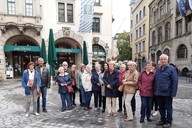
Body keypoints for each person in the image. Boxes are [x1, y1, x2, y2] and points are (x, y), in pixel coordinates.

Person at [155, 54, 178, 128]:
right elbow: (156, 81)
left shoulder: (171, 69)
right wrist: (155, 90)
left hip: (167, 93)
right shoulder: (158, 69)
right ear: (160, 60)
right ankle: (163, 120)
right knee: (161, 107)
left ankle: (169, 121)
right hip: (159, 92)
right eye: (161, 59)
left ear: (167, 60)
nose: (163, 60)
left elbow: (175, 81)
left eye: (164, 59)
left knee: (168, 107)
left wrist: (173, 93)